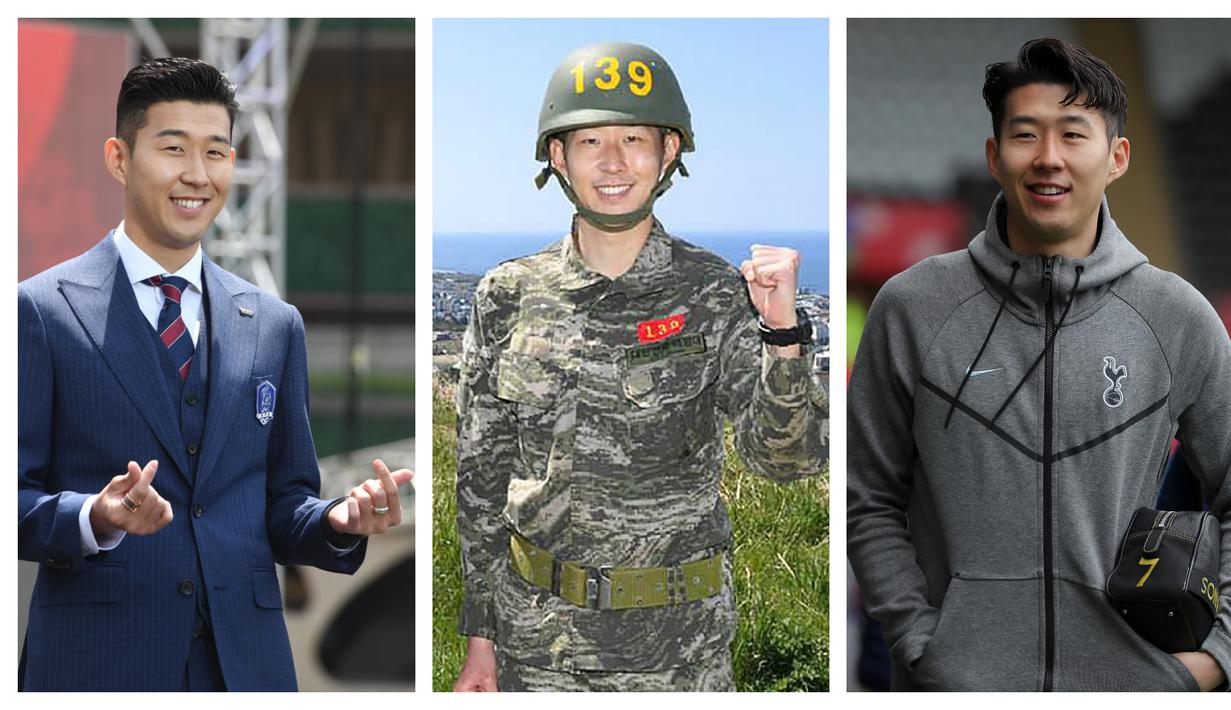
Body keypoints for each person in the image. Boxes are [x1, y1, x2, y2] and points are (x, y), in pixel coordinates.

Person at [847, 37, 1231, 691]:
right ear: (995, 157)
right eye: (1025, 135)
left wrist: (1211, 658)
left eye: (1072, 135)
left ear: (1115, 158)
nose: (1048, 158)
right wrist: (920, 642)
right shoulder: (912, 308)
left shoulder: (1176, 316)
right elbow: (868, 500)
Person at [17, 57, 412, 691]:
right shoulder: (40, 310)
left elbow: (285, 505)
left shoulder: (274, 324)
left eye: (217, 153)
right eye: (173, 149)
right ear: (119, 158)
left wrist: (339, 521)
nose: (197, 176)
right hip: (98, 668)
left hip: (247, 669)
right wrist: (95, 515)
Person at [450, 41, 827, 692]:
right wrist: (480, 641)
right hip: (535, 645)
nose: (614, 161)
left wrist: (782, 333)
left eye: (633, 138)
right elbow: (481, 482)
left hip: (677, 652)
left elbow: (786, 461)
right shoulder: (506, 295)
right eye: (590, 141)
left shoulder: (712, 293)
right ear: (557, 157)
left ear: (668, 152)